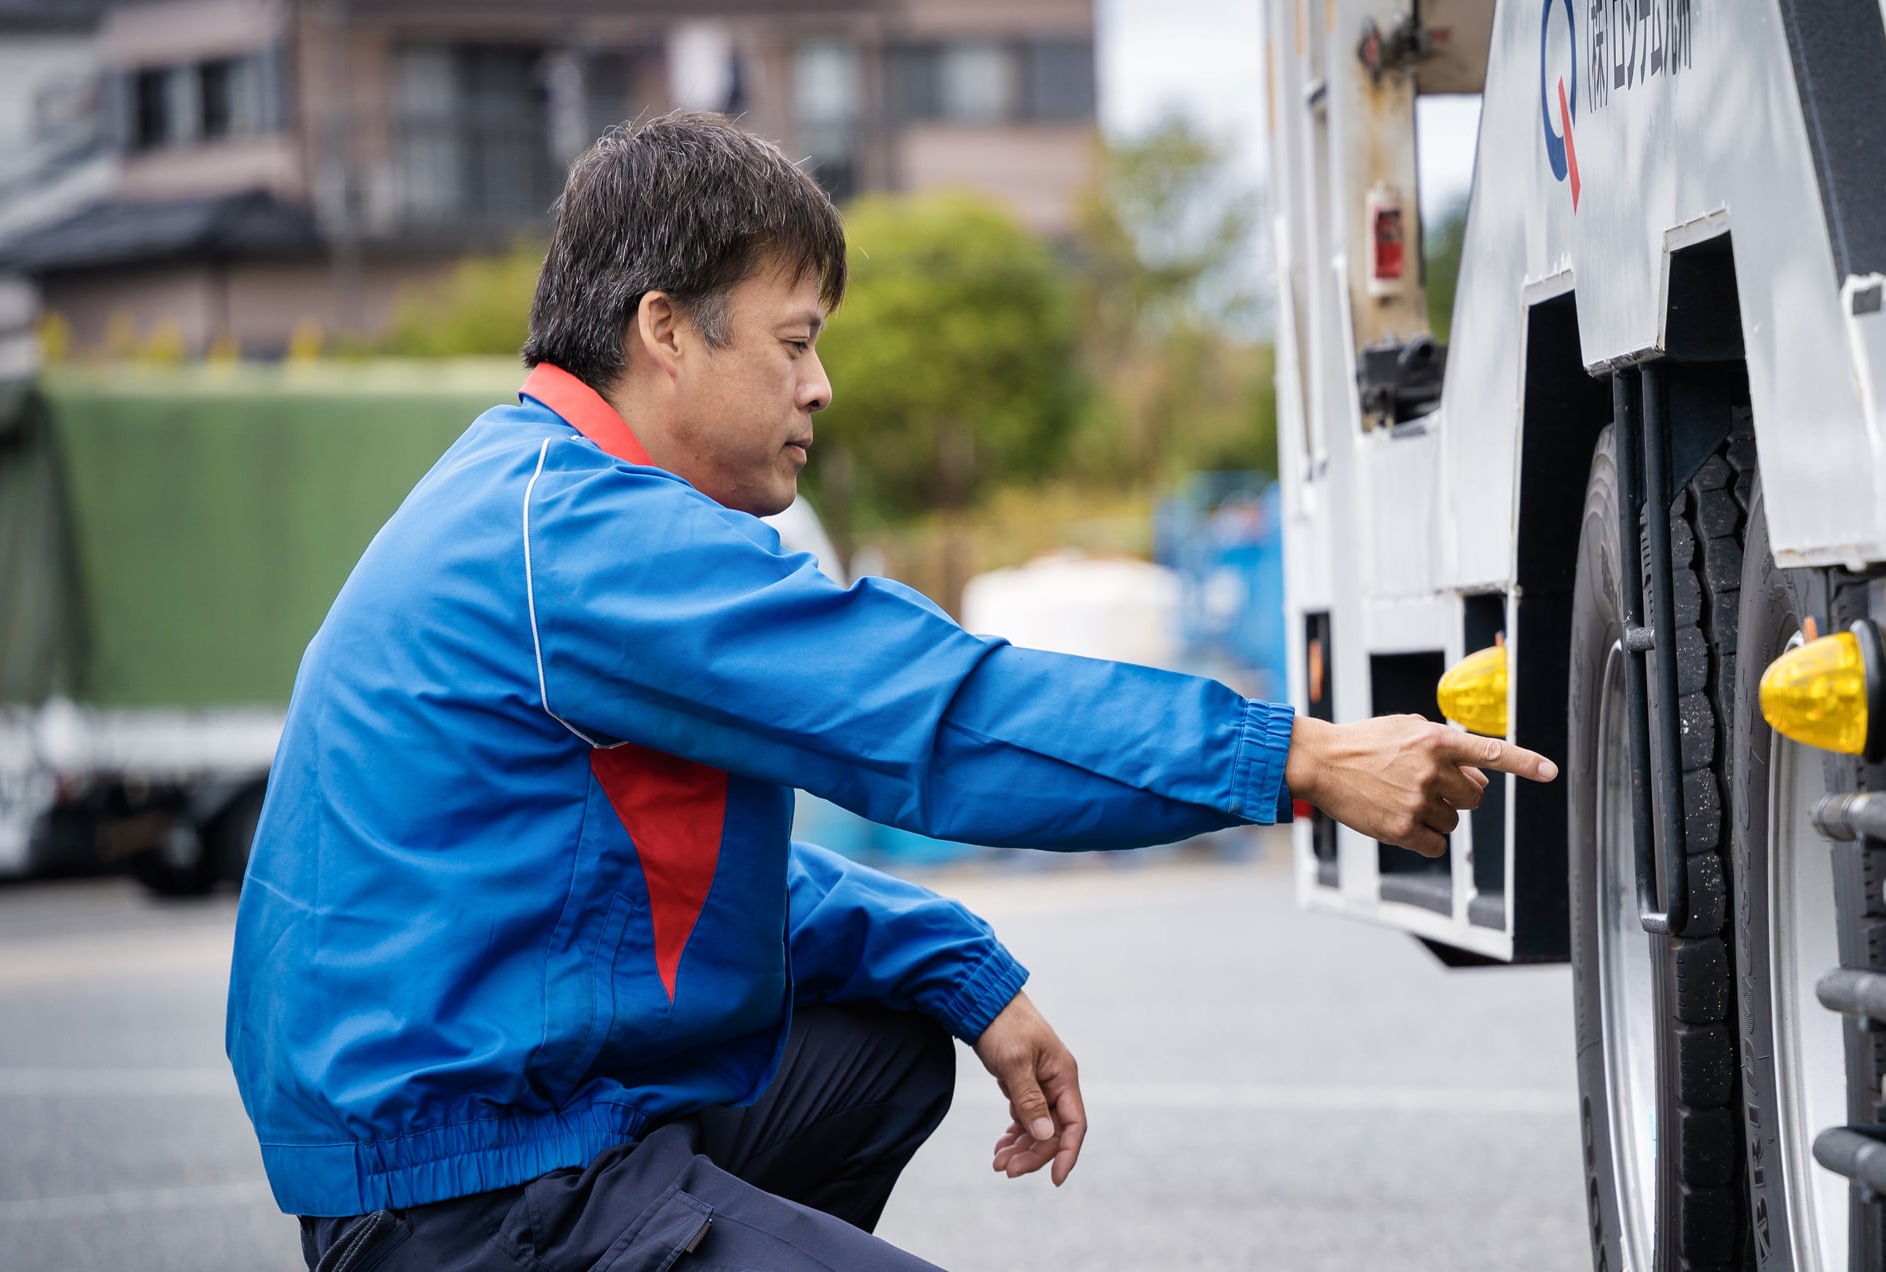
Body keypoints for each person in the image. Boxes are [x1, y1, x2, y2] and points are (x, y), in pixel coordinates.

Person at [226, 112, 1554, 1272]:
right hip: (472, 1200)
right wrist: (1302, 761)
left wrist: (962, 966)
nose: (821, 385)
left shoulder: (535, 492)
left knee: (884, 1037)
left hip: (485, 1130)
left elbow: (637, 894)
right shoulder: (584, 542)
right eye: (795, 343)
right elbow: (936, 714)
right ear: (666, 332)